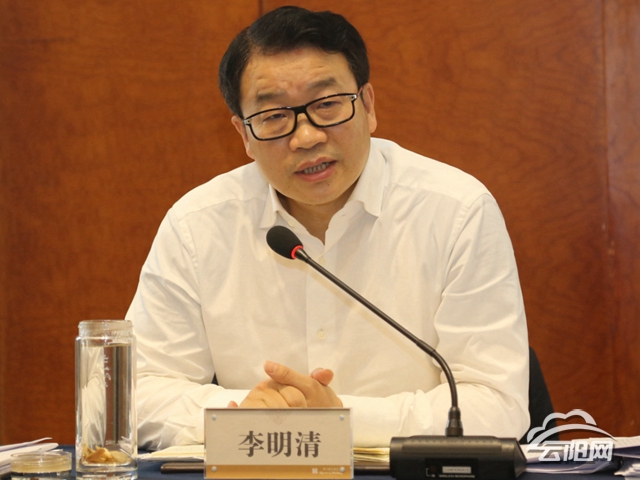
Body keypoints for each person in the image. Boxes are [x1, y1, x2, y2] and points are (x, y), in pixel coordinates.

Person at [126, 6, 530, 450]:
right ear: (244, 135)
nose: (306, 137)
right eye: (274, 116)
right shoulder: (197, 225)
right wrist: (245, 413)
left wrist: (336, 419)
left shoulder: (455, 211)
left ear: (368, 106)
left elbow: (497, 405)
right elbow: (134, 395)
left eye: (327, 105)